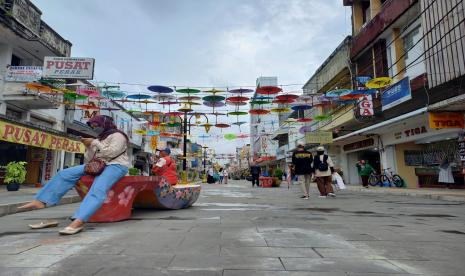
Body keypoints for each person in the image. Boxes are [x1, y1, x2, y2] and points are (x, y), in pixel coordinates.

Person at [18, 115, 129, 235]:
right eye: (92, 126)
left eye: (96, 125)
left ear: (105, 124)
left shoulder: (118, 136)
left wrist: (94, 142)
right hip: (98, 165)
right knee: (65, 174)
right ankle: (41, 200)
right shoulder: (100, 138)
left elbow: (110, 152)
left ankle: (79, 220)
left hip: (116, 166)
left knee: (97, 188)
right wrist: (89, 146)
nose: (94, 128)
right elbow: (89, 159)